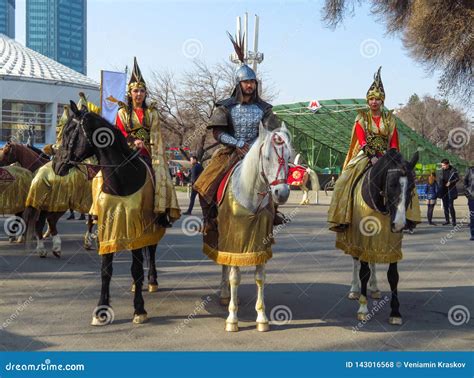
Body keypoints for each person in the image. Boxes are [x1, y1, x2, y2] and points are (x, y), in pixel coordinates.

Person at [193, 33, 285, 232]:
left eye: (252, 82)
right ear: (239, 84)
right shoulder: (226, 106)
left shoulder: (264, 108)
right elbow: (217, 132)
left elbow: (273, 131)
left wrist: (255, 146)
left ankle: (274, 212)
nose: (250, 85)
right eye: (246, 82)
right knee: (204, 182)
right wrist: (236, 143)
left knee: (275, 177)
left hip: (256, 151)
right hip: (231, 150)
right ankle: (209, 218)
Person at [328, 67, 422, 231]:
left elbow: (393, 141)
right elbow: (362, 141)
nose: (374, 102)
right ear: (367, 100)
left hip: (387, 156)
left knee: (406, 177)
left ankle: (409, 217)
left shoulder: (390, 119)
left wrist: (389, 157)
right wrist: (372, 156)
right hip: (365, 155)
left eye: (377, 99)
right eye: (371, 99)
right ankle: (342, 218)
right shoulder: (361, 118)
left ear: (382, 101)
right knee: (344, 180)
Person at [113, 57, 181, 226]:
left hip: (148, 153)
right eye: (136, 91)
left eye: (142, 91)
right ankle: (104, 209)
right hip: (127, 152)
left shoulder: (152, 113)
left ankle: (161, 212)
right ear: (130, 93)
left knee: (161, 176)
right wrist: (132, 141)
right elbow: (119, 132)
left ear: (145, 94)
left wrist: (152, 150)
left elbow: (156, 134)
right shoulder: (121, 112)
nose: (139, 94)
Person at [438, 159, 459, 226]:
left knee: (450, 206)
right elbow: (439, 179)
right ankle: (447, 220)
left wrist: (450, 182)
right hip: (443, 190)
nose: (442, 166)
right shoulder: (441, 171)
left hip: (450, 190)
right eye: (442, 165)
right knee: (445, 206)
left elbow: (457, 178)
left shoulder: (453, 170)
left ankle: (454, 221)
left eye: (443, 165)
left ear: (447, 164)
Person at [463, 164, 474, 240]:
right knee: (473, 216)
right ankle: (473, 234)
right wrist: (468, 193)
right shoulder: (470, 170)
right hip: (472, 197)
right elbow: (465, 182)